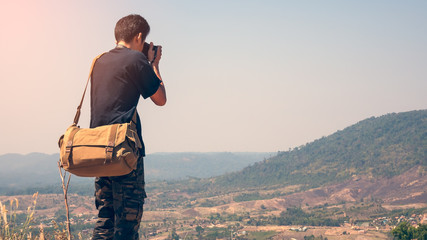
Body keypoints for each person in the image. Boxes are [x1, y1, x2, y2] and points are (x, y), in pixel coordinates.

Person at [90, 14, 166, 239]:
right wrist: (153, 64)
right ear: (139, 36)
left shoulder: (98, 60)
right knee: (127, 222)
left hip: (99, 150)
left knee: (105, 218)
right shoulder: (136, 60)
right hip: (123, 151)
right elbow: (160, 98)